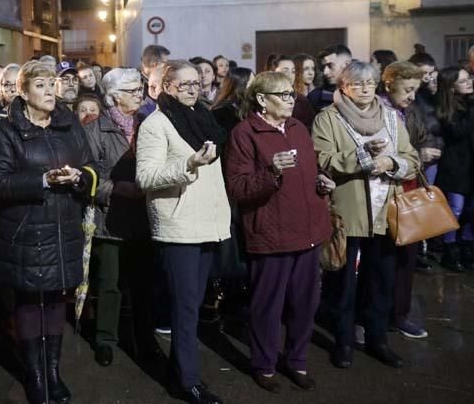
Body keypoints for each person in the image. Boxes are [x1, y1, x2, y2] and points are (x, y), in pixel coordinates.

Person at [0, 60, 96, 404]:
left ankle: (53, 372)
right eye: (41, 86)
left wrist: (78, 177)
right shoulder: (6, 131)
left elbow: (90, 164)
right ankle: (34, 376)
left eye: (52, 85)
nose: (50, 92)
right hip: (26, 229)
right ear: (24, 91)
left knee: (56, 302)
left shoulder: (69, 124)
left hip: (64, 226)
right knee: (31, 303)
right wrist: (42, 180)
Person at [225, 72, 332, 393]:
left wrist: (322, 182)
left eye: (292, 93)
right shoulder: (244, 134)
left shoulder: (299, 128)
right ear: (261, 99)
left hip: (308, 231)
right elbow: (238, 188)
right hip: (271, 235)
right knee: (268, 307)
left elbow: (308, 174)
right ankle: (264, 364)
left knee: (305, 304)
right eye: (283, 94)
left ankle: (297, 361)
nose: (291, 99)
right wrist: (271, 171)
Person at [313, 61, 419, 370]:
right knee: (343, 283)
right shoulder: (328, 118)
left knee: (381, 279)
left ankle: (377, 341)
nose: (364, 89)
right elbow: (323, 160)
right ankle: (343, 342)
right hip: (348, 213)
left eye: (370, 84)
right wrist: (363, 155)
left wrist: (393, 164)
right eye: (357, 84)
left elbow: (411, 158)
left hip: (387, 211)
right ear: (343, 86)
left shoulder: (390, 116)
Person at [135, 60, 230, 404]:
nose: (193, 89)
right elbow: (145, 177)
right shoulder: (155, 124)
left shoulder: (203, 117)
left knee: (194, 305)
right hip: (179, 227)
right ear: (168, 87)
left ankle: (182, 372)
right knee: (185, 309)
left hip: (208, 223)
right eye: (185, 84)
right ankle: (186, 381)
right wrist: (188, 164)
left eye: (196, 84)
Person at [82, 68, 158, 369]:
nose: (139, 94)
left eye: (139, 89)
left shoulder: (148, 123)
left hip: (144, 216)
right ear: (114, 96)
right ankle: (105, 340)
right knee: (110, 284)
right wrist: (118, 188)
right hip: (110, 218)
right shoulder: (95, 128)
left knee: (142, 283)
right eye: (132, 90)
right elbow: (86, 175)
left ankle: (144, 337)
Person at [379, 62, 437, 338]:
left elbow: (427, 136)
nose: (413, 96)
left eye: (416, 90)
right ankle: (374, 315)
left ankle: (399, 315)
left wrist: (425, 149)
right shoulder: (375, 112)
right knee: (380, 259)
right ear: (389, 84)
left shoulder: (410, 112)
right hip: (384, 192)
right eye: (408, 89)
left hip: (411, 189)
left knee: (406, 257)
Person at [434, 66, 474, 271]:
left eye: (470, 78)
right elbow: (457, 131)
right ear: (451, 88)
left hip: (470, 165)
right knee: (455, 209)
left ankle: (466, 245)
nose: (470, 82)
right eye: (464, 81)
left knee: (470, 210)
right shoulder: (446, 108)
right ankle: (449, 248)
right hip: (456, 166)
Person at [268, 55, 316, 129]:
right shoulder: (265, 99)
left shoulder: (302, 102)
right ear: (272, 72)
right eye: (285, 71)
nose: (290, 75)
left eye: (293, 71)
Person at [308, 45, 352, 111]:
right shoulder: (315, 97)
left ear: (347, 65)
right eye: (323, 67)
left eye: (330, 65)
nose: (325, 72)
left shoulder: (364, 92)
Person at [211, 67, 254, 133]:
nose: (256, 86)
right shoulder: (221, 112)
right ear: (240, 85)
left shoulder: (252, 107)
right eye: (252, 83)